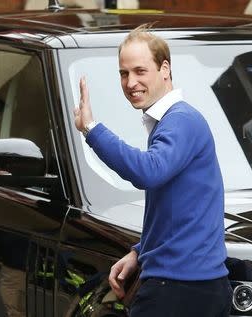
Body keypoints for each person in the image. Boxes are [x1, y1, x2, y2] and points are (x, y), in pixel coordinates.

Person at [73, 23, 232, 317]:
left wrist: (92, 129)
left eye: (139, 71)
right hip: (189, 285)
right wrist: (138, 251)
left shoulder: (181, 120)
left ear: (165, 69)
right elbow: (174, 211)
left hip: (181, 289)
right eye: (124, 73)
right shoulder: (172, 121)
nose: (130, 82)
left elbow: (149, 171)